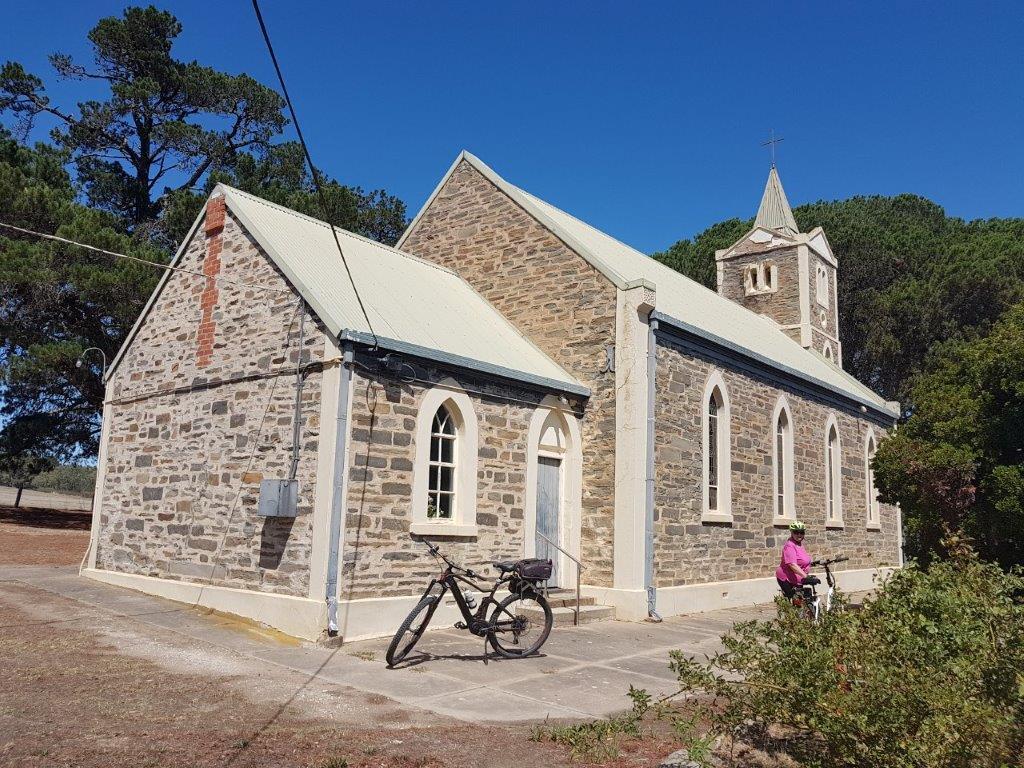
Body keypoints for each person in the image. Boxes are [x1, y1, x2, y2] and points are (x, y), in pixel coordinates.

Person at [776, 521, 815, 598]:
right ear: (792, 533)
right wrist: (806, 577)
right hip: (787, 578)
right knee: (795, 602)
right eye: (796, 532)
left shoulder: (799, 544)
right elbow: (792, 564)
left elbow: (801, 560)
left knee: (802, 600)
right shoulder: (790, 546)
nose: (799, 535)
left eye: (801, 532)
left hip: (798, 577)